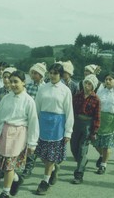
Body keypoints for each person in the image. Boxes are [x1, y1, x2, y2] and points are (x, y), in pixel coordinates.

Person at [0, 70, 39, 198]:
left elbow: (33, 122)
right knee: (4, 165)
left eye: (16, 82)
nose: (13, 84)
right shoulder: (6, 98)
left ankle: (5, 192)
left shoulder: (29, 101)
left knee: (9, 165)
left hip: (18, 135)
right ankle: (16, 179)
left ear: (23, 82)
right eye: (11, 82)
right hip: (4, 133)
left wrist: (32, 143)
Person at [34, 63, 74, 195]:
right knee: (42, 155)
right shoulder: (43, 88)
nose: (52, 75)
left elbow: (69, 112)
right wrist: (34, 125)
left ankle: (45, 181)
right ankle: (54, 167)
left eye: (55, 73)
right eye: (50, 73)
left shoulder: (65, 90)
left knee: (50, 156)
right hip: (43, 124)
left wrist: (68, 131)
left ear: (61, 75)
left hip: (57, 125)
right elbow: (37, 108)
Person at [70, 74, 100, 184]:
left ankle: (79, 174)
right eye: (86, 83)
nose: (87, 85)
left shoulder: (96, 99)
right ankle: (82, 162)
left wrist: (94, 131)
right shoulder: (77, 96)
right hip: (76, 123)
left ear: (93, 86)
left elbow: (97, 116)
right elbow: (71, 110)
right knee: (74, 147)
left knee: (83, 149)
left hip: (88, 124)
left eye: (90, 84)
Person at [94, 72, 114, 174]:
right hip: (99, 120)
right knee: (95, 142)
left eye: (110, 79)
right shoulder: (100, 92)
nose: (107, 81)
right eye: (106, 79)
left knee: (106, 145)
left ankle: (103, 165)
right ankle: (102, 155)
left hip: (111, 122)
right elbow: (95, 105)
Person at [21, 62, 47, 179]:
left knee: (36, 144)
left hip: (39, 119)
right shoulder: (27, 86)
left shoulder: (45, 88)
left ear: (41, 75)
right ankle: (27, 167)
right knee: (26, 142)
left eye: (36, 73)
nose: (33, 75)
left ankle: (51, 166)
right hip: (26, 118)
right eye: (32, 72)